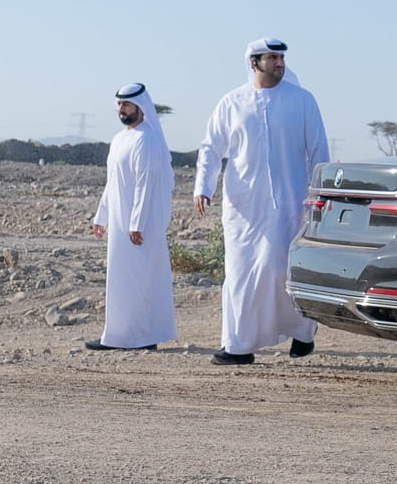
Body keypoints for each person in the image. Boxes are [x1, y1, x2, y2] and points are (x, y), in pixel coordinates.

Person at [194, 38, 330, 365]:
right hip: (243, 207)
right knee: (240, 273)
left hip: (293, 203)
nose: (280, 63)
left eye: (281, 57)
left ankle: (303, 332)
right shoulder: (232, 102)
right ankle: (238, 346)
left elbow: (319, 152)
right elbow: (212, 148)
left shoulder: (302, 101)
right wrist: (204, 186)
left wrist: (320, 195)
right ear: (254, 63)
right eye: (272, 58)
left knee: (283, 270)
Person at [86, 84, 177, 351]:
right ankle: (121, 335)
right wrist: (101, 216)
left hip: (139, 225)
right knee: (122, 280)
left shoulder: (145, 139)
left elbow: (145, 184)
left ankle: (140, 338)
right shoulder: (119, 139)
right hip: (119, 222)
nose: (122, 110)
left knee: (141, 280)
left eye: (126, 105)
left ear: (140, 107)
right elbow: (113, 183)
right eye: (119, 105)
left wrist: (136, 224)